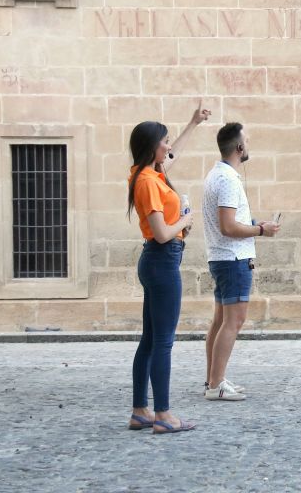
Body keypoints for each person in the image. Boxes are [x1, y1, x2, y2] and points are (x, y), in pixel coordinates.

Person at [126, 101, 210, 434]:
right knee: (163, 342)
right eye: (164, 141)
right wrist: (185, 220)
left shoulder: (149, 174)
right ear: (151, 147)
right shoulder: (148, 181)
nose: (169, 145)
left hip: (157, 262)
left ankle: (140, 410)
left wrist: (192, 123)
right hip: (162, 262)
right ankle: (162, 415)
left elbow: (174, 156)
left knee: (150, 340)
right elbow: (162, 233)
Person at [202, 122, 280, 401]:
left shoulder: (217, 175)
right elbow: (228, 226)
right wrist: (260, 230)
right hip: (233, 258)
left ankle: (214, 378)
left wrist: (258, 223)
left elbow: (232, 221)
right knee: (234, 321)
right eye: (247, 140)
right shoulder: (227, 180)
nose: (249, 144)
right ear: (239, 147)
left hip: (223, 257)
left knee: (220, 321)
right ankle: (215, 385)